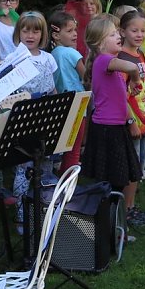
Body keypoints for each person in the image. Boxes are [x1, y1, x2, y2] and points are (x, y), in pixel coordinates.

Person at [81, 14, 145, 233]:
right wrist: (136, 79)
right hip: (107, 131)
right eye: (112, 35)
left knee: (118, 181)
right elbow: (131, 67)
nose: (118, 36)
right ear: (100, 43)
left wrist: (130, 120)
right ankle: (108, 227)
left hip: (116, 127)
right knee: (112, 182)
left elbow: (121, 100)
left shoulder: (110, 64)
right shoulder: (104, 60)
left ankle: (113, 227)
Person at [9, 11, 58, 229]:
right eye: (26, 30)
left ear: (42, 33)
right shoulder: (14, 60)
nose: (30, 35)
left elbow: (52, 87)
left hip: (46, 117)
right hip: (24, 118)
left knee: (46, 164)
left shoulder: (48, 58)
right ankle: (21, 214)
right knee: (23, 167)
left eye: (35, 31)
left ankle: (44, 210)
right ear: (18, 32)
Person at [118, 9, 145, 186]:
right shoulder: (121, 58)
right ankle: (132, 181)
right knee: (134, 148)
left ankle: (140, 174)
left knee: (143, 144)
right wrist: (130, 120)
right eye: (134, 31)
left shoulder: (140, 54)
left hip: (143, 108)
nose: (140, 35)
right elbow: (120, 92)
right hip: (131, 112)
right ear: (122, 31)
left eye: (143, 31)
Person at [48, 10, 86, 171]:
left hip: (61, 102)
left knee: (62, 146)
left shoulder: (51, 54)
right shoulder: (71, 53)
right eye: (69, 31)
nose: (75, 34)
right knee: (74, 150)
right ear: (56, 35)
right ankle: (69, 180)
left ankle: (58, 175)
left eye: (75, 30)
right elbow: (86, 77)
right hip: (77, 103)